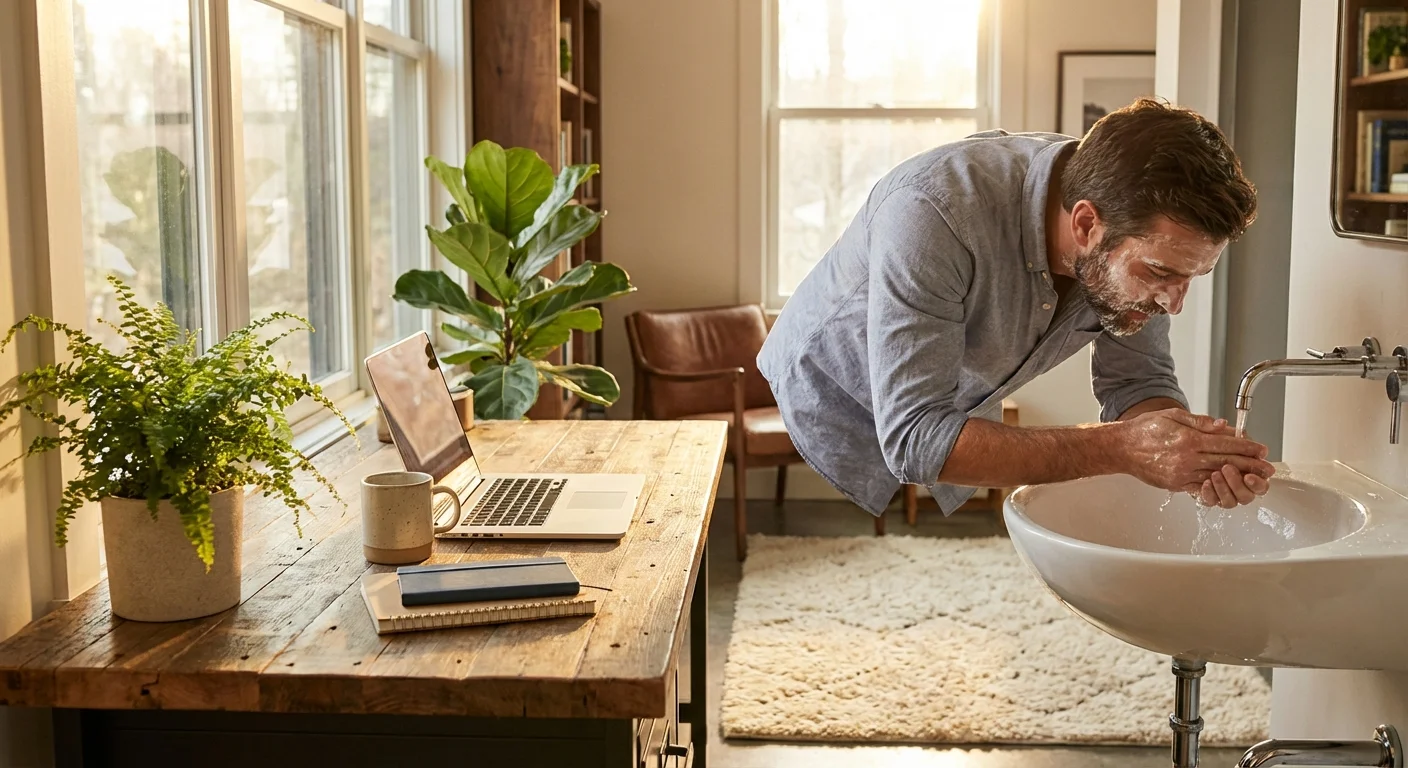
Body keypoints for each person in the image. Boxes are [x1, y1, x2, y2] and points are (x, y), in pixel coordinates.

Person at [757, 98, 1271, 519]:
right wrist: (1121, 448)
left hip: (944, 404)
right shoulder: (933, 213)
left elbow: (1138, 384)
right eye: (1161, 273)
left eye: (1191, 278)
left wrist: (1185, 454)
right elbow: (915, 437)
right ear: (1087, 226)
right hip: (830, 384)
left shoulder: (1129, 225)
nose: (1173, 304)